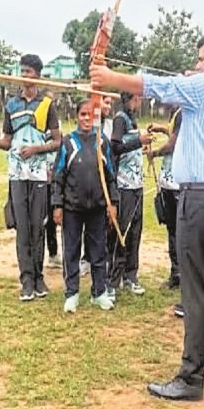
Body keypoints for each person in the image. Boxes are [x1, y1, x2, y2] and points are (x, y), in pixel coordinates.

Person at [91, 32, 204, 402]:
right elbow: (186, 86)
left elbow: (157, 85)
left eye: (201, 59)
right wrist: (195, 80)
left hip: (200, 200)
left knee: (195, 288)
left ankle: (191, 377)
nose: (197, 65)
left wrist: (108, 77)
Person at [0, 54, 61, 301]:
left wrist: (36, 150)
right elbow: (7, 141)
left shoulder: (47, 105)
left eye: (28, 71)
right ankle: (26, 279)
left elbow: (57, 141)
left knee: (38, 226)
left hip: (39, 175)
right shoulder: (11, 105)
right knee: (22, 229)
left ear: (37, 75)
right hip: (17, 175)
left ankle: (39, 278)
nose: (23, 75)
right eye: (21, 71)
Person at [52, 100, 118, 313]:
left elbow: (111, 177)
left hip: (98, 208)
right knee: (71, 250)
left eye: (90, 115)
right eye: (83, 114)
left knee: (98, 252)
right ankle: (72, 293)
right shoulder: (68, 143)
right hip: (72, 208)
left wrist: (112, 203)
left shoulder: (102, 143)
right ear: (77, 116)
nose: (87, 118)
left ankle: (99, 292)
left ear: (96, 117)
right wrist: (57, 205)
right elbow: (58, 176)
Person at [107, 92, 152, 298]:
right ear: (127, 100)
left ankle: (131, 275)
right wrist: (138, 141)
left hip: (137, 185)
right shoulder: (119, 119)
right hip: (123, 185)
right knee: (121, 232)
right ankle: (113, 279)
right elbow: (114, 147)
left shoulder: (132, 118)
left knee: (135, 231)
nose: (138, 102)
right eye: (136, 99)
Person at [148, 104, 183, 291]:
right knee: (172, 229)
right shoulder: (176, 114)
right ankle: (176, 272)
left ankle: (181, 274)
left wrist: (154, 153)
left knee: (178, 230)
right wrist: (162, 128)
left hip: (177, 183)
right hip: (169, 182)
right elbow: (173, 133)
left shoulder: (183, 113)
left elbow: (173, 144)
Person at [81, 94, 114, 277]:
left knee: (102, 227)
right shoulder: (93, 121)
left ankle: (101, 262)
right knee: (87, 224)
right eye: (104, 102)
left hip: (105, 175)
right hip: (89, 175)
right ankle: (86, 258)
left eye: (110, 103)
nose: (107, 106)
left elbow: (110, 149)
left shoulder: (109, 124)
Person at [43, 90, 63, 269]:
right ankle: (51, 253)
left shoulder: (57, 125)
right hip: (42, 178)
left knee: (55, 217)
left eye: (53, 100)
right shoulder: (39, 123)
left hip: (55, 179)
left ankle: (54, 253)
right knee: (46, 220)